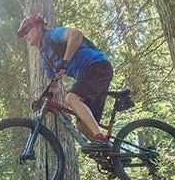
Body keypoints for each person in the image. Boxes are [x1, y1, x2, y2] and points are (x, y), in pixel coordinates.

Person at [16, 14, 113, 151]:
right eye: (23, 34)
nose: (26, 36)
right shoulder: (44, 57)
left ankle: (101, 139)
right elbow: (54, 84)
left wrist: (66, 61)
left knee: (71, 98)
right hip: (87, 76)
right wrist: (44, 98)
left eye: (27, 30)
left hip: (98, 66)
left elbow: (76, 35)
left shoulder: (52, 35)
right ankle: (114, 155)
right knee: (82, 126)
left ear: (38, 27)